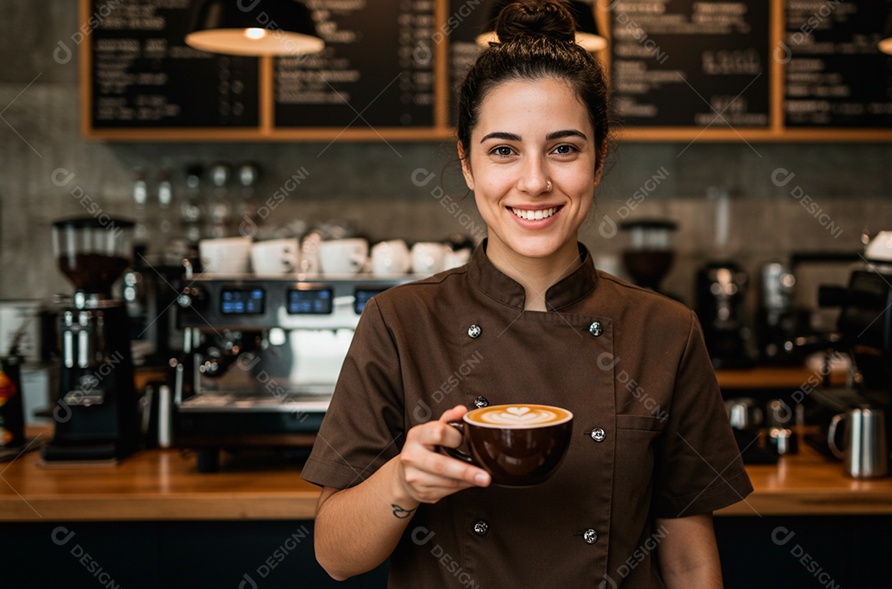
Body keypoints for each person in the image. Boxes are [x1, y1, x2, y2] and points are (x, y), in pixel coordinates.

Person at [301, 1, 753, 587]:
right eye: (503, 150)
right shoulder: (398, 322)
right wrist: (402, 483)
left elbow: (690, 558)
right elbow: (336, 556)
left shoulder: (666, 330)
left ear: (598, 160)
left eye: (564, 148)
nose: (535, 181)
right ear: (467, 164)